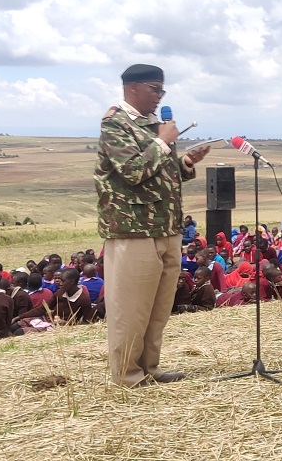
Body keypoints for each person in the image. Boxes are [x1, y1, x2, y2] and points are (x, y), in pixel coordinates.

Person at [95, 63, 211, 388]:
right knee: (131, 309)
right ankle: (127, 376)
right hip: (133, 230)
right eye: (154, 89)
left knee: (158, 308)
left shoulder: (154, 126)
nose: (160, 96)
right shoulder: (115, 123)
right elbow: (132, 172)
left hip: (166, 226)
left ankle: (150, 367)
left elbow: (162, 174)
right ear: (133, 87)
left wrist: (186, 162)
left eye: (162, 90)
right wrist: (162, 142)